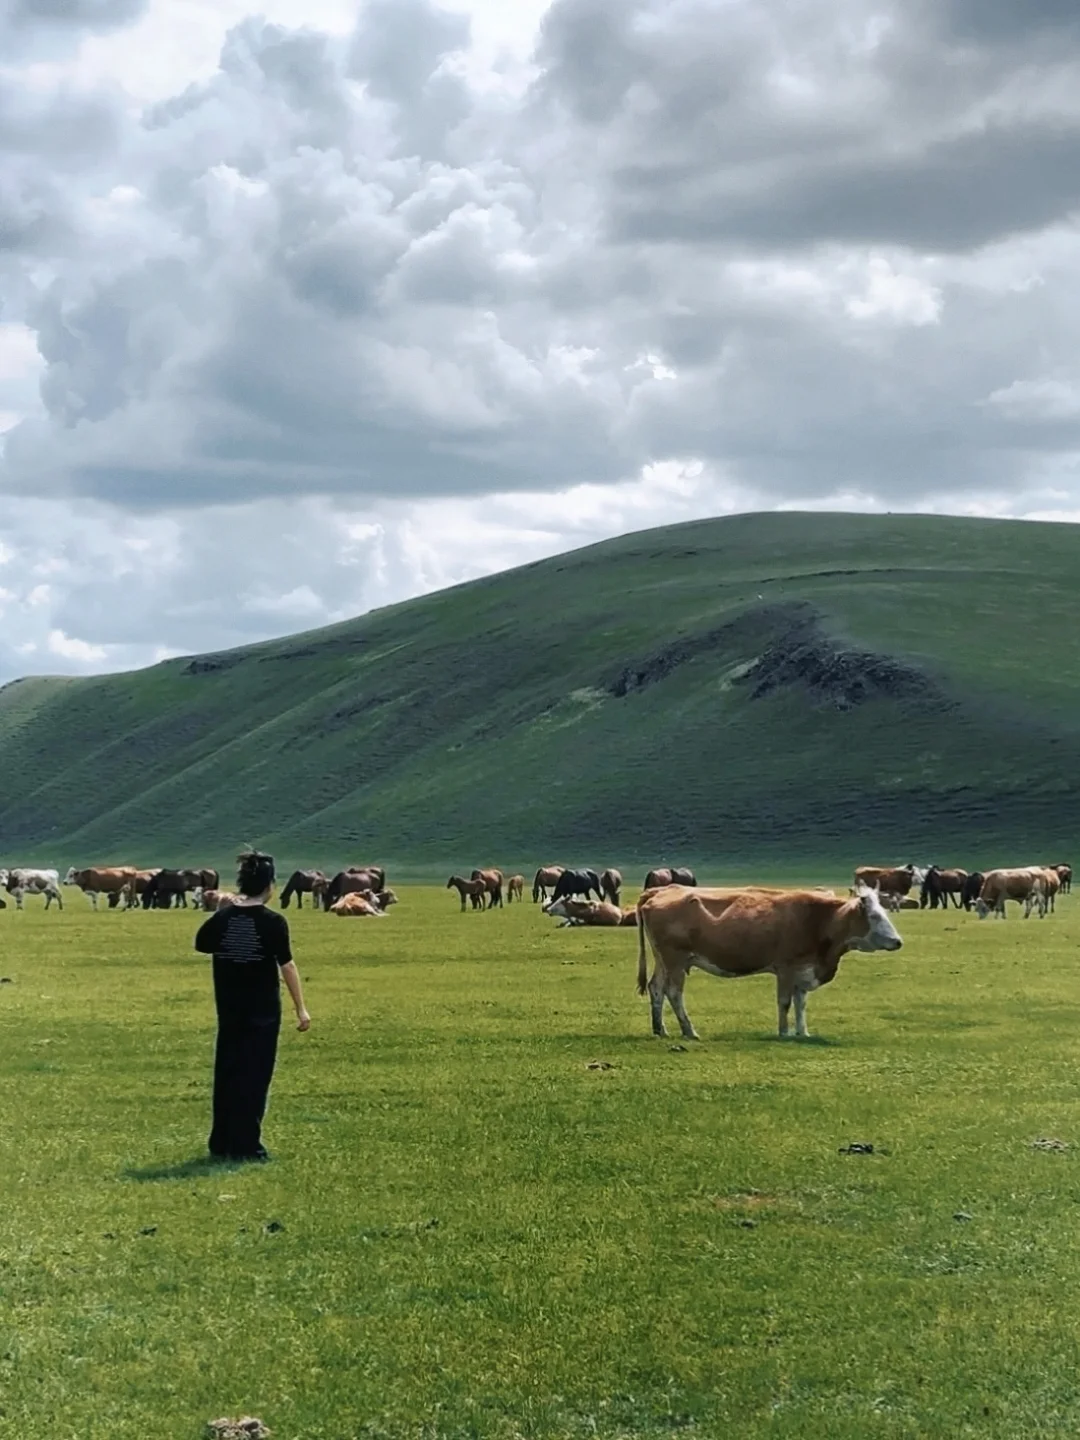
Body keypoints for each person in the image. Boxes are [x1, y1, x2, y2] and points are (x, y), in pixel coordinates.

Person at [194, 850, 310, 1162]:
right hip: (262, 1015)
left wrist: (221, 910)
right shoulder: (273, 923)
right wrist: (301, 1008)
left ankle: (221, 1142)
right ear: (269, 885)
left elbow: (202, 942)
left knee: (228, 1076)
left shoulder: (224, 919)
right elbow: (286, 966)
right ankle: (246, 1145)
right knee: (254, 1079)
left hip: (229, 1013)